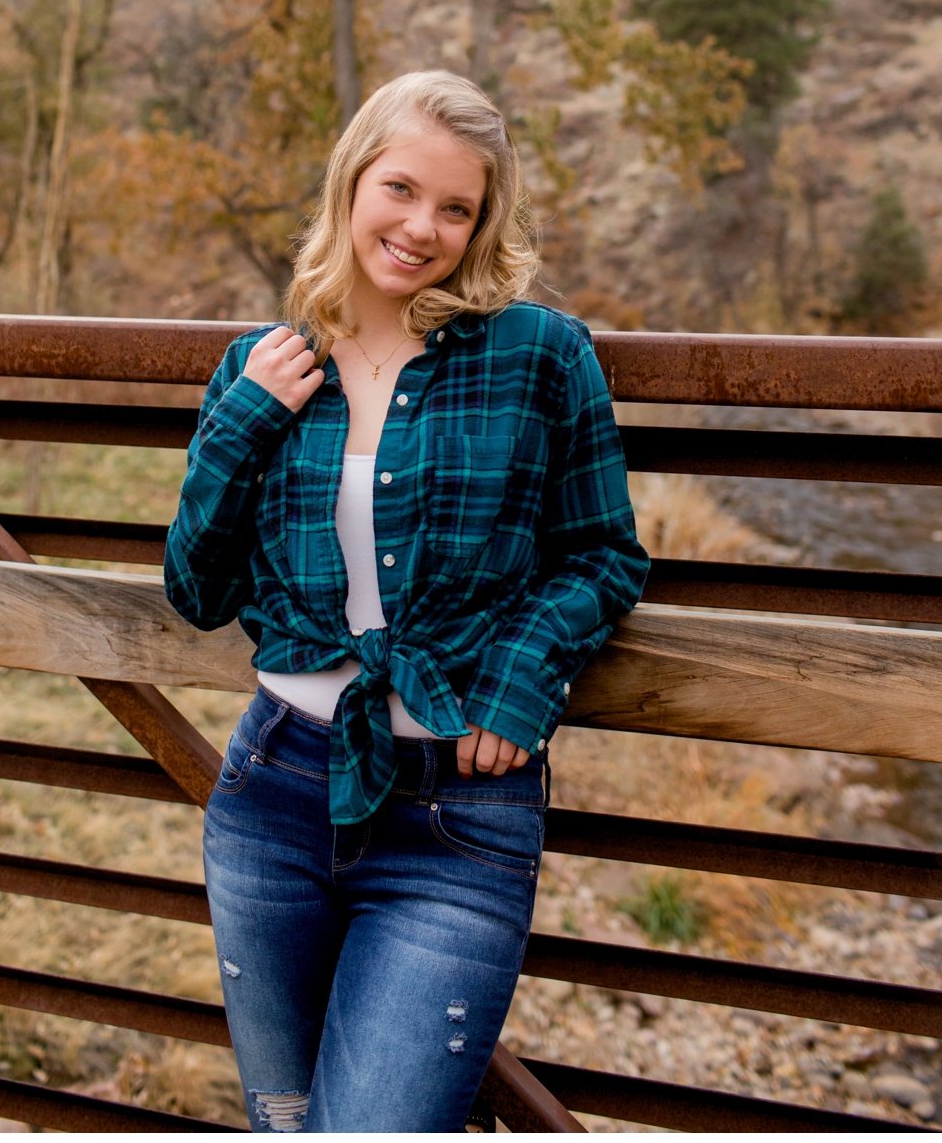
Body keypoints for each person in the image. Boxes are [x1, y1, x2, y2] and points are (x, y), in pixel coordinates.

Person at [164, 69, 649, 1132]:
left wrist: (523, 682)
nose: (422, 227)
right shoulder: (263, 363)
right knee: (286, 1121)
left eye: (457, 207)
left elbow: (605, 556)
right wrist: (243, 421)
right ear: (350, 184)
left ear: (484, 223)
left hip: (457, 821)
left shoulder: (539, 356)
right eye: (401, 188)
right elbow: (197, 590)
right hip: (273, 797)